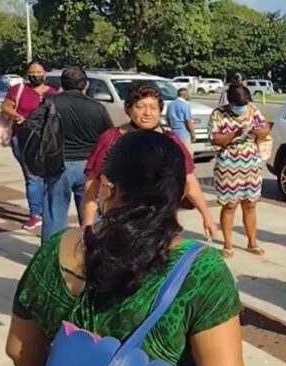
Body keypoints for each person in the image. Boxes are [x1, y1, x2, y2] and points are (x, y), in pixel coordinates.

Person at [5, 131, 246, 366]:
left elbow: (18, 348)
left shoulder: (56, 249)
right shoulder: (203, 270)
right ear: (180, 193)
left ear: (107, 186)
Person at [82, 84, 217, 238]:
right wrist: (87, 225)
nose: (147, 113)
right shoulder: (111, 138)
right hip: (119, 221)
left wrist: (206, 216)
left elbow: (189, 179)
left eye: (153, 108)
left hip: (159, 221)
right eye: (140, 107)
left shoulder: (171, 141)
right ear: (128, 109)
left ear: (160, 111)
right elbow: (93, 182)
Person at [29, 67, 113, 241]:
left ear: (62, 84)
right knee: (90, 211)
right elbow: (108, 137)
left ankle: (52, 252)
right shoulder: (98, 107)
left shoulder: (50, 102)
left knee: (54, 212)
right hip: (89, 167)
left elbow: (32, 127)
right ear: (86, 85)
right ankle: (92, 249)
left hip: (58, 163)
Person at [210, 85, 270, 258]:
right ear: (231, 102)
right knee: (230, 205)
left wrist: (259, 131)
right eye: (239, 105)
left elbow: (265, 128)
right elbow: (215, 139)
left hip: (251, 165)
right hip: (228, 165)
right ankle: (228, 244)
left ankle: (252, 242)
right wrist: (234, 134)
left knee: (250, 204)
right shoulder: (218, 114)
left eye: (245, 103)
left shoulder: (252, 110)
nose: (242, 107)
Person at [0, 59, 59, 230]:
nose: (35, 75)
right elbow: (6, 107)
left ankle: (47, 211)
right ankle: (35, 214)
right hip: (23, 138)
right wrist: (17, 116)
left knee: (48, 176)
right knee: (32, 176)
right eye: (32, 72)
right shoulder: (18, 90)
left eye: (38, 72)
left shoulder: (54, 93)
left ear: (45, 73)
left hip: (47, 139)